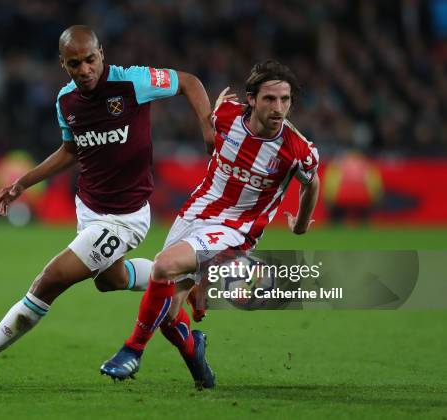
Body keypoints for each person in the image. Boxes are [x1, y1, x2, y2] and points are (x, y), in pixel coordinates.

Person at [0, 25, 214, 384]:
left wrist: (208, 129)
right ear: (63, 65)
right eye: (75, 64)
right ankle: (181, 279)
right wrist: (23, 182)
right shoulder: (66, 101)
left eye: (90, 60)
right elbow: (71, 150)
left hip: (125, 218)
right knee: (111, 280)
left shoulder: (133, 83)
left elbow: (189, 81)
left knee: (49, 280)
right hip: (88, 209)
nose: (84, 69)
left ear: (102, 54)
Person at [100, 60, 320, 389]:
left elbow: (312, 182)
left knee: (164, 265)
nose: (278, 108)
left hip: (235, 229)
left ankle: (132, 351)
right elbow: (210, 116)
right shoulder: (228, 116)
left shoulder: (297, 150)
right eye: (270, 99)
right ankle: (197, 357)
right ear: (251, 100)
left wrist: (300, 225)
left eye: (285, 100)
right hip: (196, 212)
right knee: (168, 314)